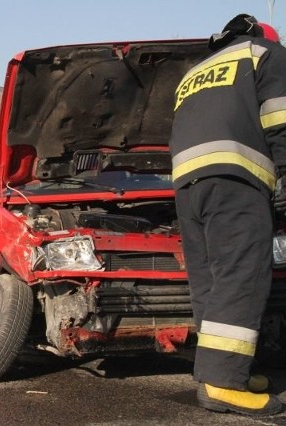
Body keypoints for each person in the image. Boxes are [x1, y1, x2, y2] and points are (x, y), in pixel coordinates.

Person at [170, 14, 286, 416]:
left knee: (212, 282)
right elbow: (280, 118)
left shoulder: (195, 73)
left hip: (188, 186)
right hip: (238, 179)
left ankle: (220, 372)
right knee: (241, 277)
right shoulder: (265, 53)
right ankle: (222, 385)